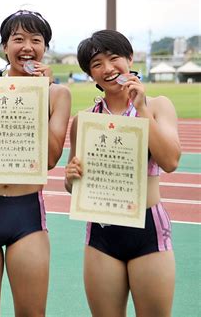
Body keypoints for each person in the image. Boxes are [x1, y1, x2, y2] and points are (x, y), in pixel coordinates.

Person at [0, 10, 71, 316]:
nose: (27, 46)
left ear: (44, 48)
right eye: (18, 39)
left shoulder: (58, 95)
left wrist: (39, 95)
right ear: (4, 46)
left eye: (36, 40)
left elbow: (50, 159)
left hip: (27, 213)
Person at [65, 29, 180, 317]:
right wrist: (71, 177)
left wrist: (141, 109)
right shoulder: (84, 122)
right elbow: (72, 184)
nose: (108, 69)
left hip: (148, 230)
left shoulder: (158, 105)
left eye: (114, 58)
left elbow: (170, 161)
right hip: (102, 235)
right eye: (96, 64)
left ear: (129, 59)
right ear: (90, 75)